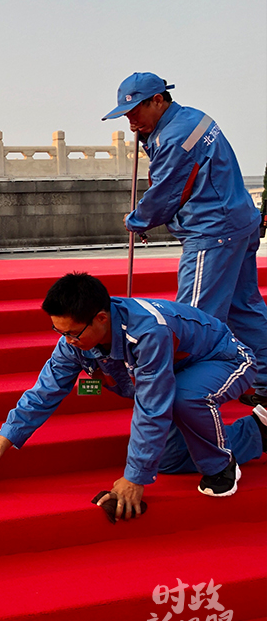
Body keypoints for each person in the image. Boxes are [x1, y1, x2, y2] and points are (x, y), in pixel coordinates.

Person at [0, 273, 266, 521]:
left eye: (73, 334)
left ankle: (219, 466)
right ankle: (258, 431)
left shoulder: (148, 333)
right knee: (169, 461)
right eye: (58, 332)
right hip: (178, 375)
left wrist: (135, 478)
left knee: (183, 399)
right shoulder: (73, 343)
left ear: (101, 318)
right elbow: (43, 393)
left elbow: (152, 406)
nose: (67, 341)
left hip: (224, 360)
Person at [103, 72, 267, 407]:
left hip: (214, 233)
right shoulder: (193, 117)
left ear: (158, 100)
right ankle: (263, 379)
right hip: (239, 222)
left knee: (192, 320)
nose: (131, 123)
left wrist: (135, 221)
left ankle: (188, 395)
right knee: (244, 308)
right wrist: (149, 136)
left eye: (135, 113)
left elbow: (166, 193)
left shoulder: (175, 139)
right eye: (127, 116)